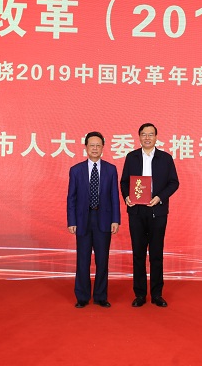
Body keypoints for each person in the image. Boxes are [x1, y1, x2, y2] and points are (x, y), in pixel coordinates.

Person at [120, 123, 179, 307]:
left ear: (156, 137)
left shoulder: (165, 158)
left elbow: (174, 183)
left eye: (151, 134)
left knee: (156, 254)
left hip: (157, 211)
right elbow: (124, 182)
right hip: (136, 212)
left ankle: (157, 294)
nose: (147, 138)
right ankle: (139, 294)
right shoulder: (132, 157)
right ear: (139, 137)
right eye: (144, 134)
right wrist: (127, 196)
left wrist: (159, 197)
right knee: (138, 254)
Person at [67, 131, 121, 308]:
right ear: (86, 147)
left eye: (98, 145)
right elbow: (71, 198)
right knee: (82, 260)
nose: (95, 148)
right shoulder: (76, 170)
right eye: (92, 145)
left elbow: (114, 197)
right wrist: (71, 221)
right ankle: (82, 297)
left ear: (103, 148)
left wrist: (115, 220)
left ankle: (100, 296)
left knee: (102, 260)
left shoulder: (111, 169)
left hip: (103, 219)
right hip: (83, 220)